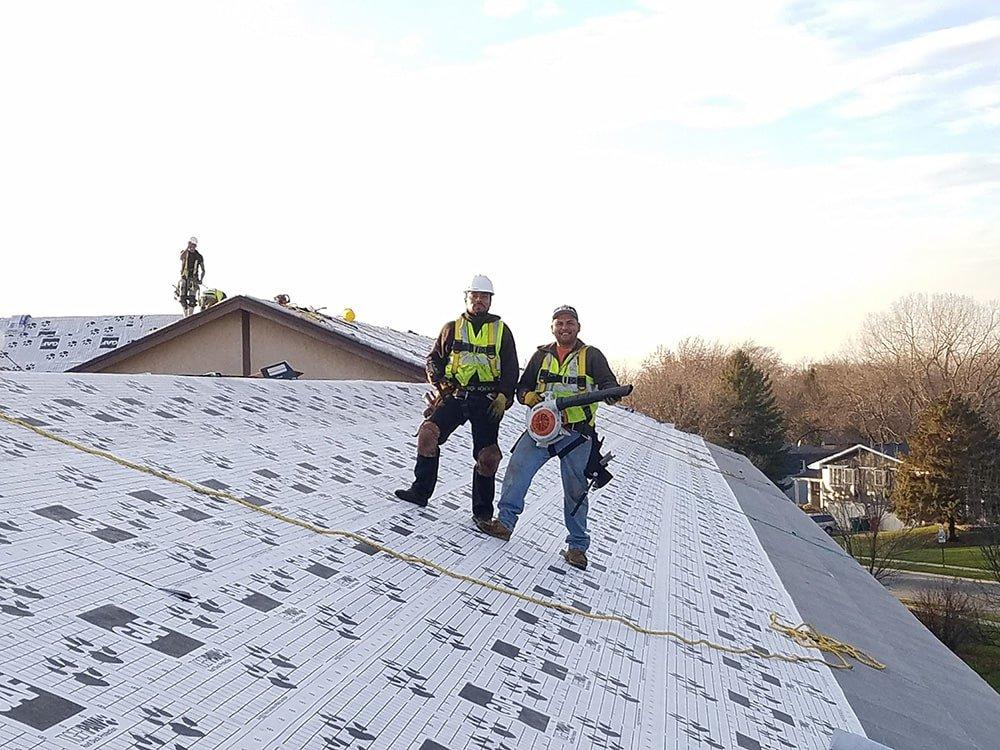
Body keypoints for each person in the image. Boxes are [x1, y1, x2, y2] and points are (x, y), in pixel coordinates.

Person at [478, 305, 621, 570]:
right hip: (541, 428)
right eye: (559, 324)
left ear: (578, 327)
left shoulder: (592, 356)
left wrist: (611, 393)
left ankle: (577, 547)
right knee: (517, 470)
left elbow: (608, 384)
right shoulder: (541, 355)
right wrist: (527, 397)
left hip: (576, 434)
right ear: (552, 327)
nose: (564, 328)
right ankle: (504, 524)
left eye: (570, 323)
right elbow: (523, 387)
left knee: (576, 490)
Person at [394, 275, 518, 526]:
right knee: (428, 433)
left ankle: (482, 512)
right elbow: (433, 360)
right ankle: (420, 491)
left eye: (484, 296)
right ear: (466, 298)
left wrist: (504, 395)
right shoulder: (452, 327)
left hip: (486, 399)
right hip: (455, 395)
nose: (479, 301)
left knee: (489, 457)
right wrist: (439, 382)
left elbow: (512, 369)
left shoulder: (502, 332)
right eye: (475, 296)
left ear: (491, 301)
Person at [177, 237, 205, 317]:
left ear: (196, 246)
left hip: (194, 279)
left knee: (192, 299)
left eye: (194, 245)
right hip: (184, 278)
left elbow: (203, 270)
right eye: (191, 245)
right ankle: (185, 316)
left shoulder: (199, 256)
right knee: (182, 298)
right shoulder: (185, 253)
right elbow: (181, 257)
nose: (192, 247)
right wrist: (187, 248)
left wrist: (201, 279)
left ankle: (190, 316)